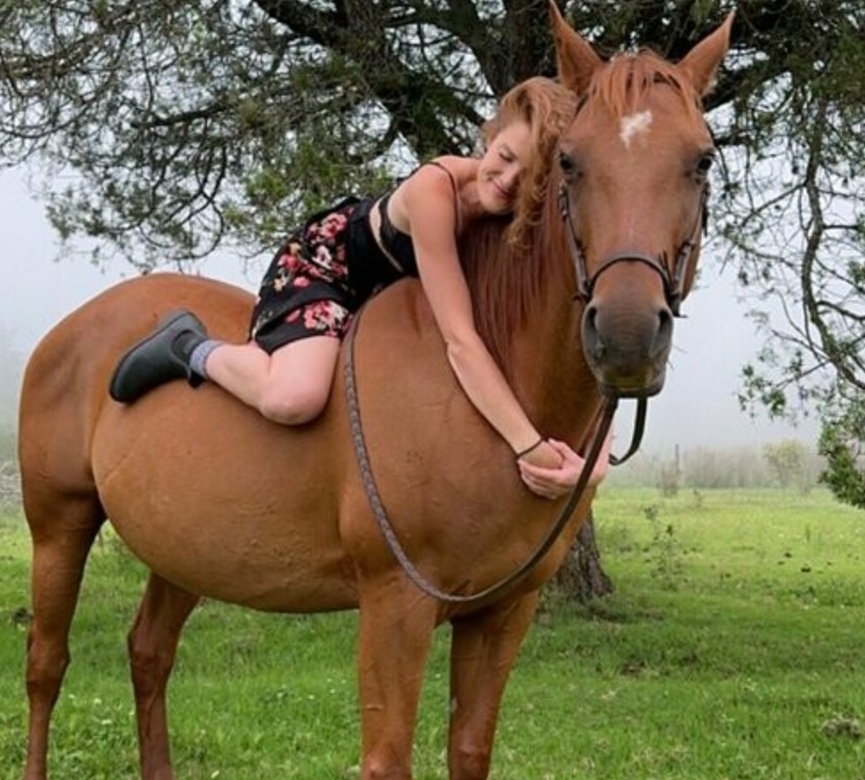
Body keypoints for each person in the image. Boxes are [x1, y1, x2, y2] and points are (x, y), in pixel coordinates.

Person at [109, 88, 595, 498]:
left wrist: (591, 468)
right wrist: (529, 446)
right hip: (325, 267)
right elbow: (461, 340)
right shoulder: (435, 191)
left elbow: (578, 329)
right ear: (489, 139)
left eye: (528, 174)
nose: (508, 181)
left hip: (386, 296)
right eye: (505, 157)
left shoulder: (521, 216)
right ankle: (188, 347)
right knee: (293, 398)